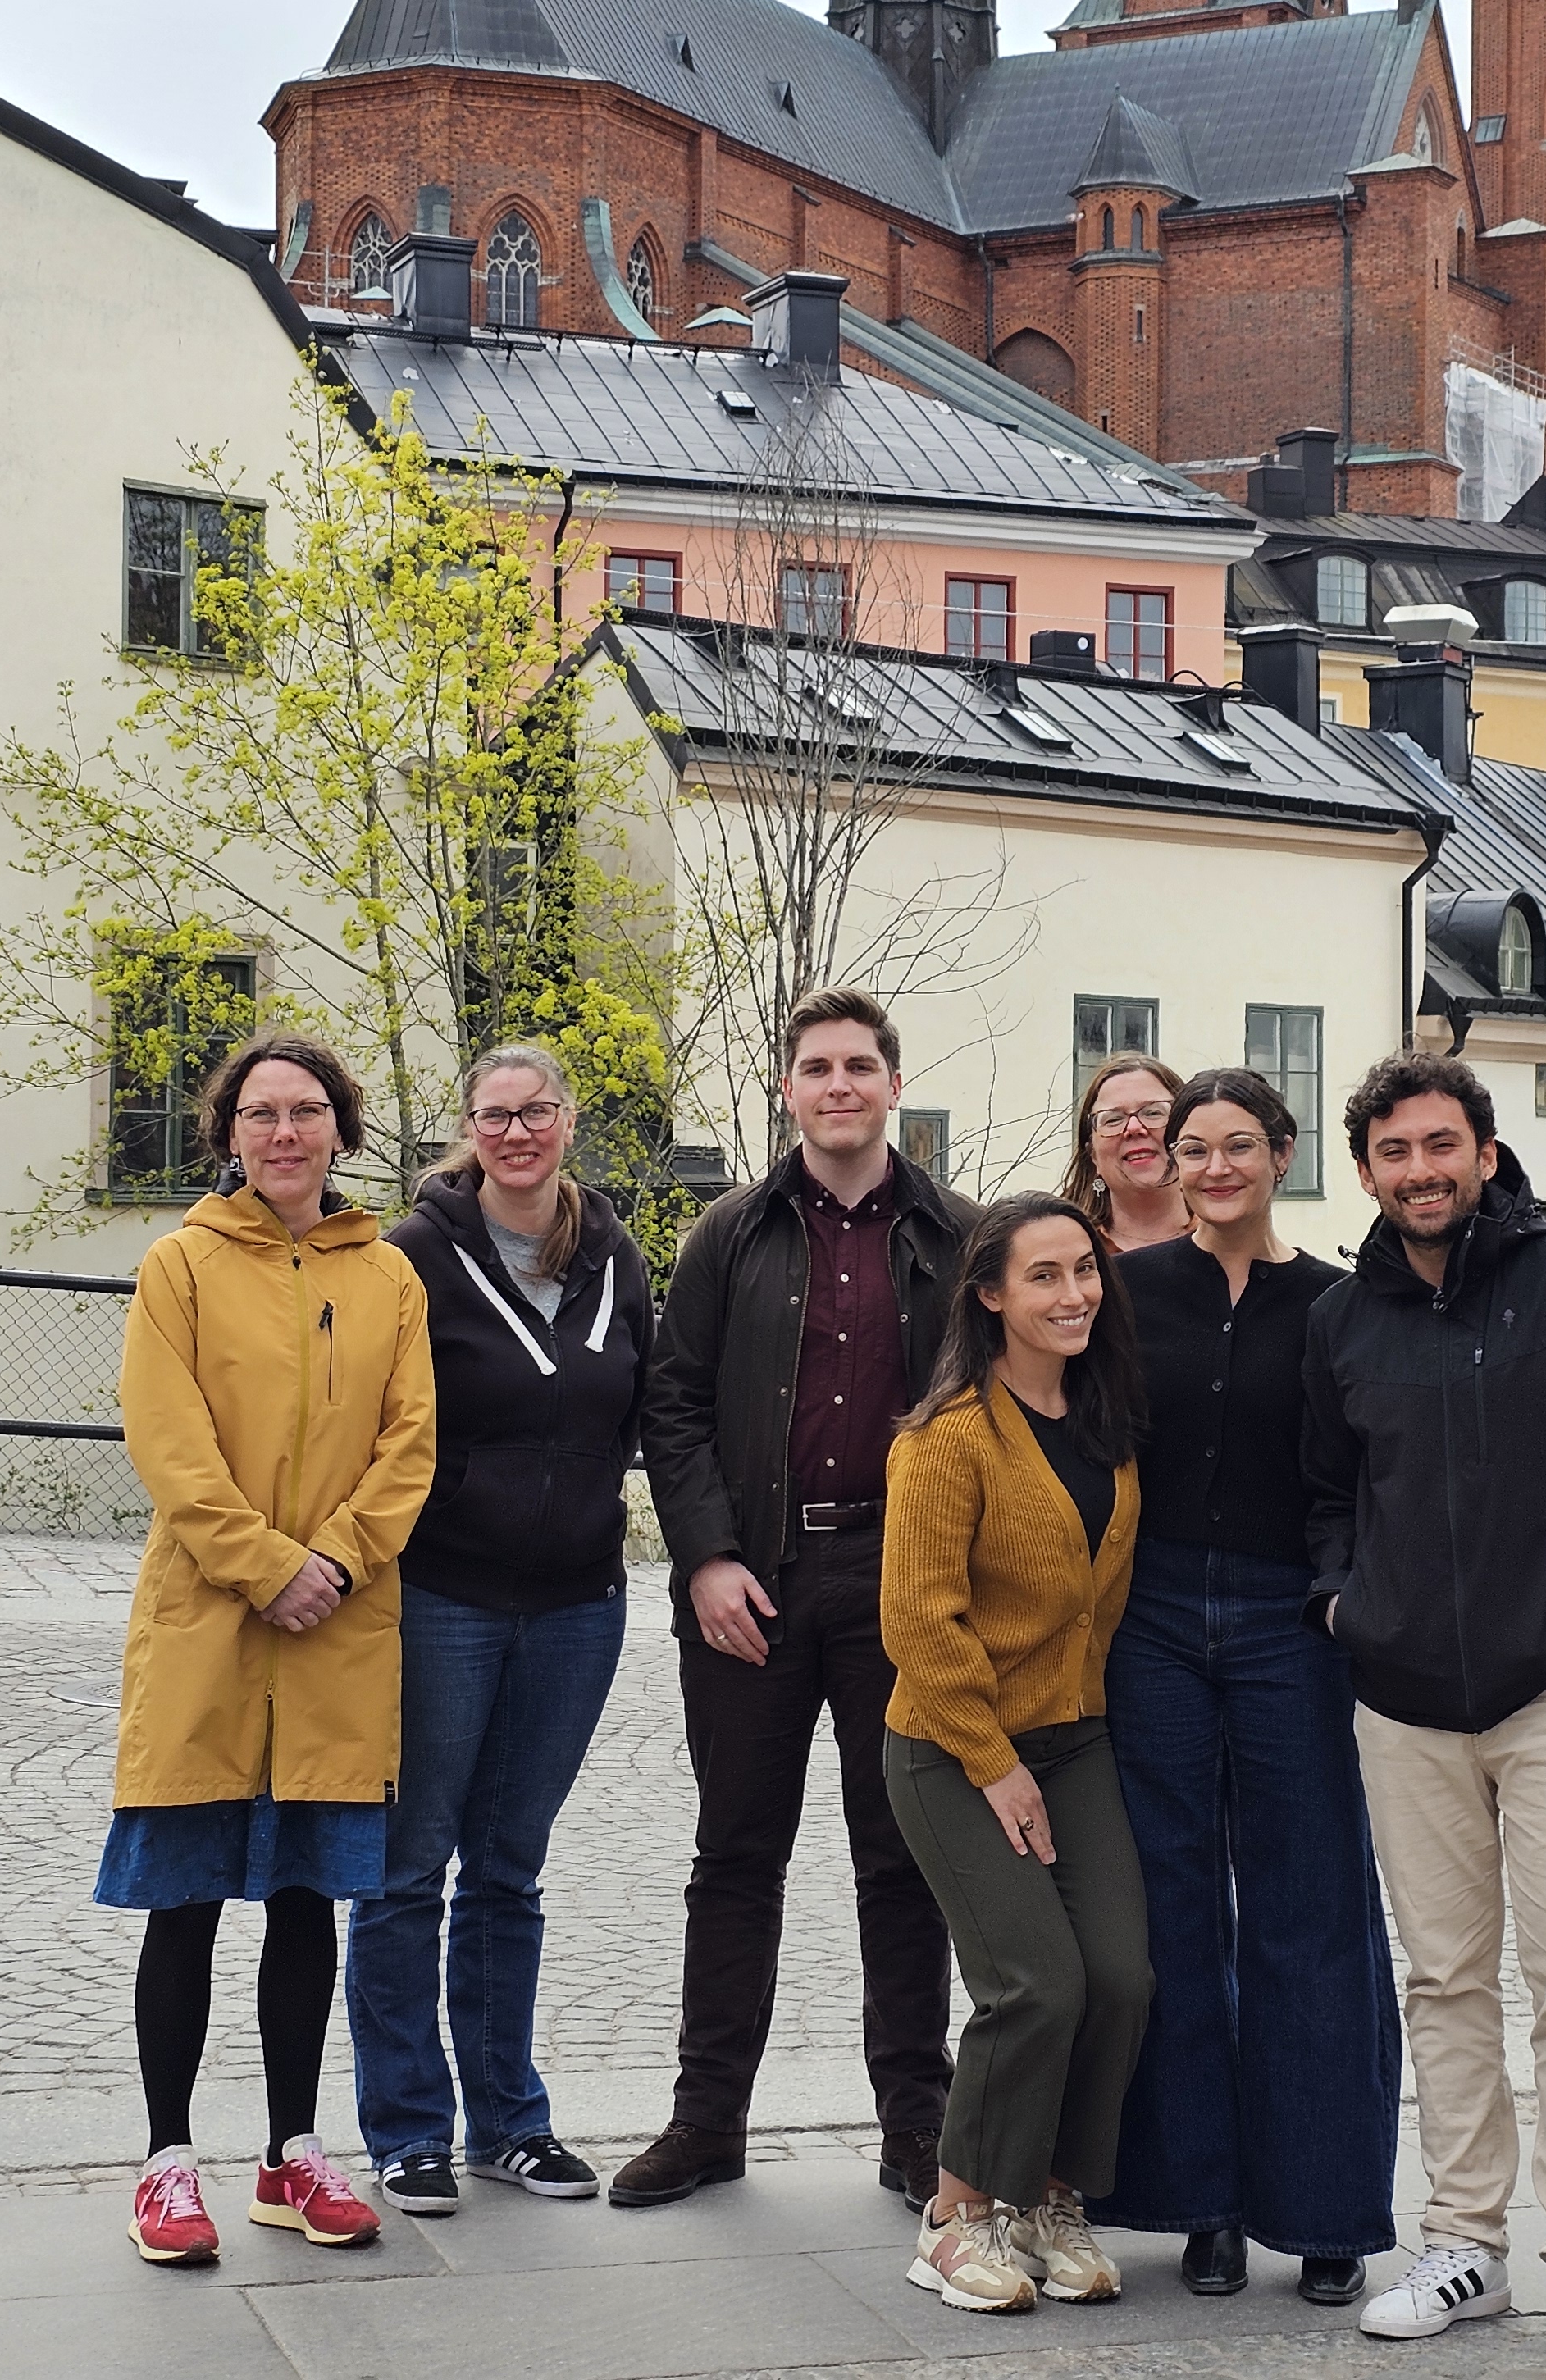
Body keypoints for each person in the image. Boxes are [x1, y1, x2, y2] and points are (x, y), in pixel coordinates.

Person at [1300, 1052, 1546, 2372]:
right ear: (1368, 1172)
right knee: (1443, 1983)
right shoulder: (1343, 1321)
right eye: (1394, 1152)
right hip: (1404, 1703)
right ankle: (1463, 2242)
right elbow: (1324, 1496)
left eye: (1441, 1146)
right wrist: (1345, 1606)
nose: (1420, 1171)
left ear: (1484, 1154)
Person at [622, 987, 974, 2212]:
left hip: (900, 1586)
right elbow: (672, 1401)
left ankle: (916, 2128)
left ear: (892, 1085)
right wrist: (706, 1557)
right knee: (735, 1858)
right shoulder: (729, 1232)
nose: (839, 1087)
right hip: (752, 1587)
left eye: (859, 1067)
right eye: (817, 1068)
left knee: (905, 1861)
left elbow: (990, 1411)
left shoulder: (957, 1234)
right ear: (789, 1091)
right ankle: (706, 2122)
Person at [100, 1032, 434, 2268]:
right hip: (210, 1624)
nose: (284, 1133)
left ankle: (293, 2154)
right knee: (184, 1905)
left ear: (341, 1129)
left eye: (305, 1112)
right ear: (229, 1134)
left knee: (305, 1904)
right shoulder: (179, 1266)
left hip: (336, 1627)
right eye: (260, 1114)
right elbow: (169, 1441)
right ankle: (165, 2163)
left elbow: (410, 1444)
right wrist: (265, 1566)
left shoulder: (389, 1277)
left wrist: (331, 1563)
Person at [1092, 1069, 1397, 2307]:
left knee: (1310, 1905)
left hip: (1289, 1619)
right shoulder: (1121, 1292)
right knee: (1168, 1906)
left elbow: (1359, 1472)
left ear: (1281, 1155)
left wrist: (1339, 1594)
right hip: (1152, 1615)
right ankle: (1199, 2204)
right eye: (1192, 1148)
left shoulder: (1334, 1303)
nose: (1212, 1168)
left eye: (1237, 1146)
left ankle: (1326, 2209)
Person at [350, 1043, 657, 2215]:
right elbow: (373, 1417)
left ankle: (509, 2124)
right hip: (444, 1597)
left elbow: (642, 1409)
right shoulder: (414, 1256)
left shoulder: (616, 1257)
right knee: (407, 1869)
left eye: (536, 1112)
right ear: (468, 1128)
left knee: (510, 1871)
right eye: (495, 1115)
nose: (517, 1133)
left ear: (569, 1122)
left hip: (577, 1603)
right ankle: (408, 2131)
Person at [882, 1194, 1156, 2314]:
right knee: (1034, 1984)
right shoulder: (944, 1440)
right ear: (989, 1295)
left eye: (1084, 1270)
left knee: (1121, 1978)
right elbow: (917, 1622)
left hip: (1075, 1738)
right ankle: (956, 2217)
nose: (1073, 1293)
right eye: (1043, 1276)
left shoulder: (1104, 1423)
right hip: (952, 1748)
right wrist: (994, 1763)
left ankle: (1047, 2199)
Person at [1059, 1052, 1192, 1252]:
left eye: (1153, 1113)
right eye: (1113, 1119)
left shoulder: (1232, 1238)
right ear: (1093, 1154)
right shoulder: (1062, 1248)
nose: (1134, 1128)